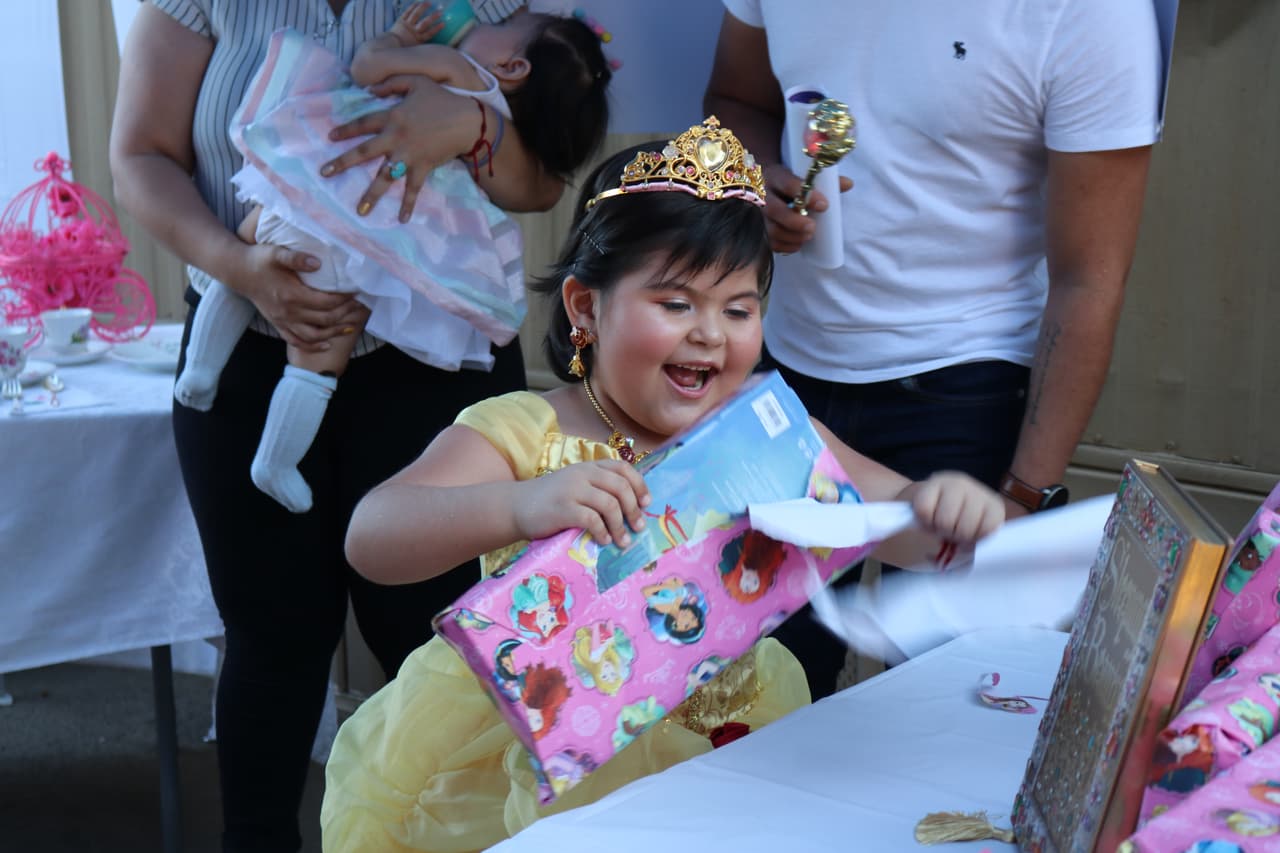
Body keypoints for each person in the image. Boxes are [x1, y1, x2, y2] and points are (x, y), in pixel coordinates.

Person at [319, 118, 1005, 852]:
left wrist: (940, 513)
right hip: (547, 772)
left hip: (735, 753)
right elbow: (374, 535)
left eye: (739, 309)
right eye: (677, 303)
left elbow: (891, 520)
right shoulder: (527, 428)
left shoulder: (766, 431)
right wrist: (519, 503)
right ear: (586, 307)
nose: (711, 332)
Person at [109, 1, 565, 849]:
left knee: (449, 650)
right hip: (246, 351)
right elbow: (139, 155)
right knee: (270, 643)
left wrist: (471, 122)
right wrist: (243, 268)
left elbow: (543, 181)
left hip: (436, 376)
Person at [703, 0, 1163, 698]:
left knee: (942, 712)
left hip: (967, 393)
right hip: (781, 375)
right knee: (747, 701)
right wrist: (753, 174)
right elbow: (736, 98)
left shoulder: (1090, 12)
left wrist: (1024, 493)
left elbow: (1090, 278)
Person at [171, 2, 611, 513]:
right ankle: (276, 459)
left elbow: (366, 69)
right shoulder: (500, 106)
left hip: (322, 187)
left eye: (500, 29)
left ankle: (201, 373)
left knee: (249, 253)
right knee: (318, 356)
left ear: (514, 66)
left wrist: (399, 40)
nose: (481, 25)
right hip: (372, 236)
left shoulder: (458, 68)